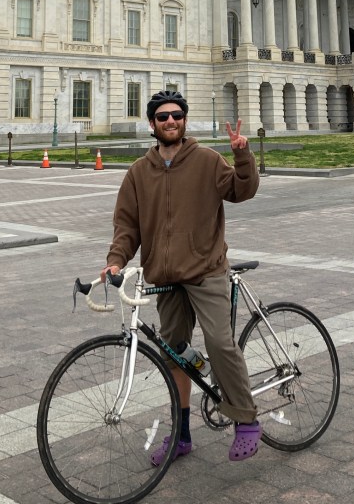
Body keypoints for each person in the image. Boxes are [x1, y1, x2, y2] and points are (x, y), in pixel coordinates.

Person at [101, 90, 261, 466]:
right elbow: (127, 226)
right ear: (152, 124)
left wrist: (242, 155)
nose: (170, 121)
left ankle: (246, 419)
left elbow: (243, 190)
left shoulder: (206, 160)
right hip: (166, 277)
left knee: (219, 342)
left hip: (206, 271)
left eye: (177, 115)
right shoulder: (139, 173)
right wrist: (115, 261)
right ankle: (182, 435)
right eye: (163, 117)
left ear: (185, 120)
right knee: (174, 353)